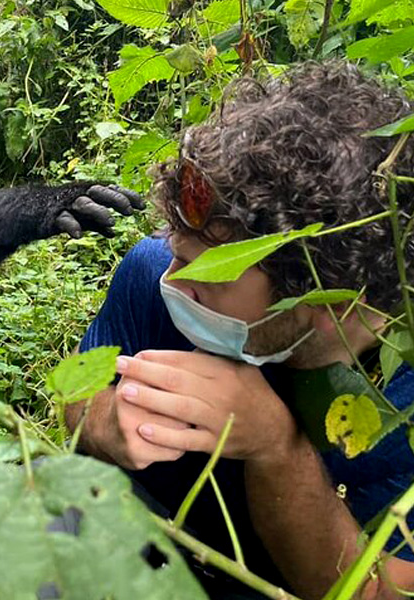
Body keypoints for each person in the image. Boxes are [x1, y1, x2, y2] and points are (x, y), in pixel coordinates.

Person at [67, 61, 414, 599]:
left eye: (212, 276)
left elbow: (381, 593)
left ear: (332, 304)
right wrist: (106, 421)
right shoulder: (151, 268)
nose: (174, 282)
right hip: (125, 540)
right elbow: (74, 389)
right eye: (179, 252)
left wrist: (275, 448)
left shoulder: (406, 403)